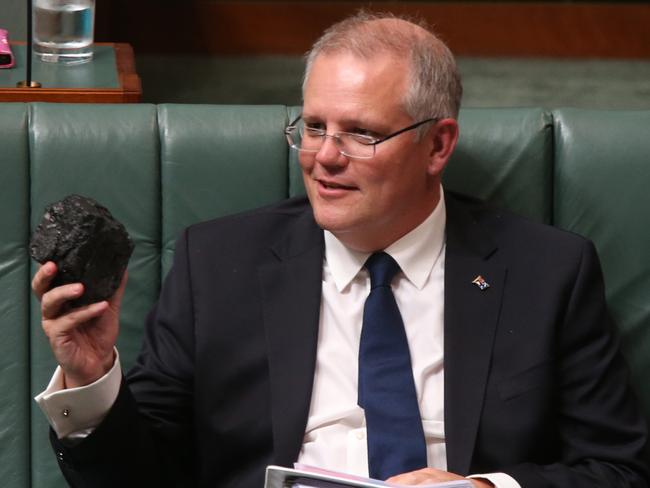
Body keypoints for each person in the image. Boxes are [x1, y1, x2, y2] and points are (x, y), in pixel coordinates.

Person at [32, 11, 648, 488]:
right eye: (315, 126)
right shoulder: (217, 264)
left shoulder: (547, 273)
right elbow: (142, 478)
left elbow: (621, 470)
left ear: (438, 146)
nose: (324, 156)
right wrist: (92, 381)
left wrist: (486, 485)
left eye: (361, 133)